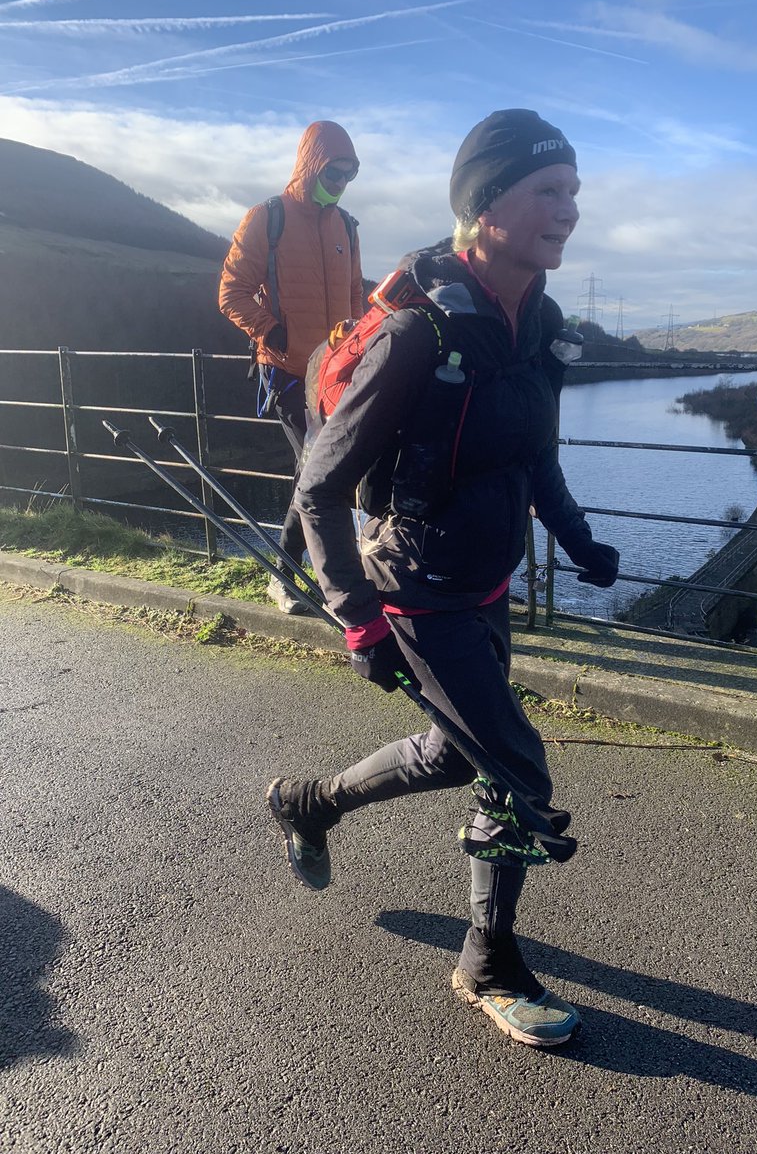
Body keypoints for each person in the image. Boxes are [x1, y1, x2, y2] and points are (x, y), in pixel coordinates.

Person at [266, 110, 619, 1047]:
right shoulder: (417, 337)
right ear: (485, 204)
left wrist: (577, 539)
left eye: (574, 192)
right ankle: (489, 964)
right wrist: (358, 622)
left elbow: (531, 455)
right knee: (515, 766)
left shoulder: (534, 320)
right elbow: (320, 485)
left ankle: (310, 803)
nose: (568, 210)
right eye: (548, 191)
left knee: (456, 751)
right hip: (415, 590)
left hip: (485, 584)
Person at [219, 120, 363, 613]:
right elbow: (231, 292)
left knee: (324, 473)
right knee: (317, 473)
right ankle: (287, 577)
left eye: (350, 173)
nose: (341, 181)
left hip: (336, 374)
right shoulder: (268, 217)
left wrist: (365, 346)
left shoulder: (347, 225)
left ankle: (318, 575)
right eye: (334, 170)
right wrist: (268, 330)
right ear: (312, 163)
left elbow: (356, 299)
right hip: (285, 370)